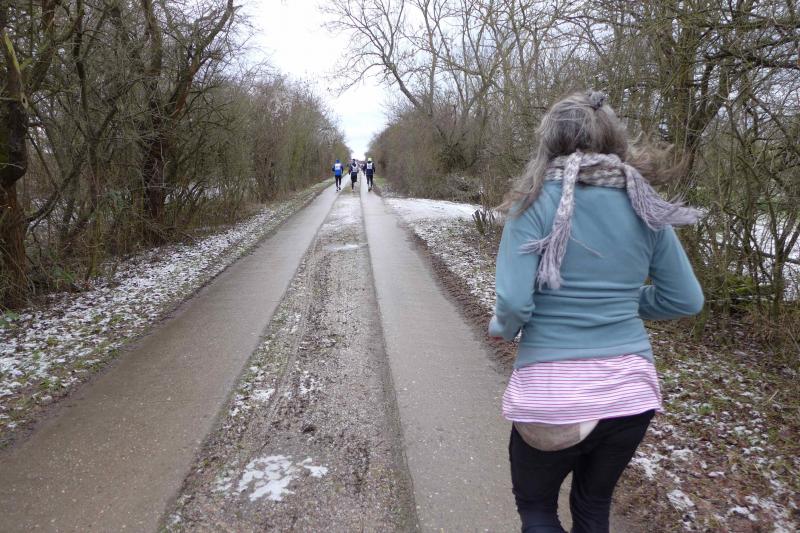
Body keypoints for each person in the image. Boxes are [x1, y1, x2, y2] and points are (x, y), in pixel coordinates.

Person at [489, 90, 704, 533]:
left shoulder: (533, 202)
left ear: (549, 141)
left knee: (537, 509)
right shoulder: (644, 204)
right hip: (630, 395)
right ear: (614, 139)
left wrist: (502, 327)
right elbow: (686, 299)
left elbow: (513, 303)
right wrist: (621, 301)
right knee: (592, 507)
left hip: (553, 396)